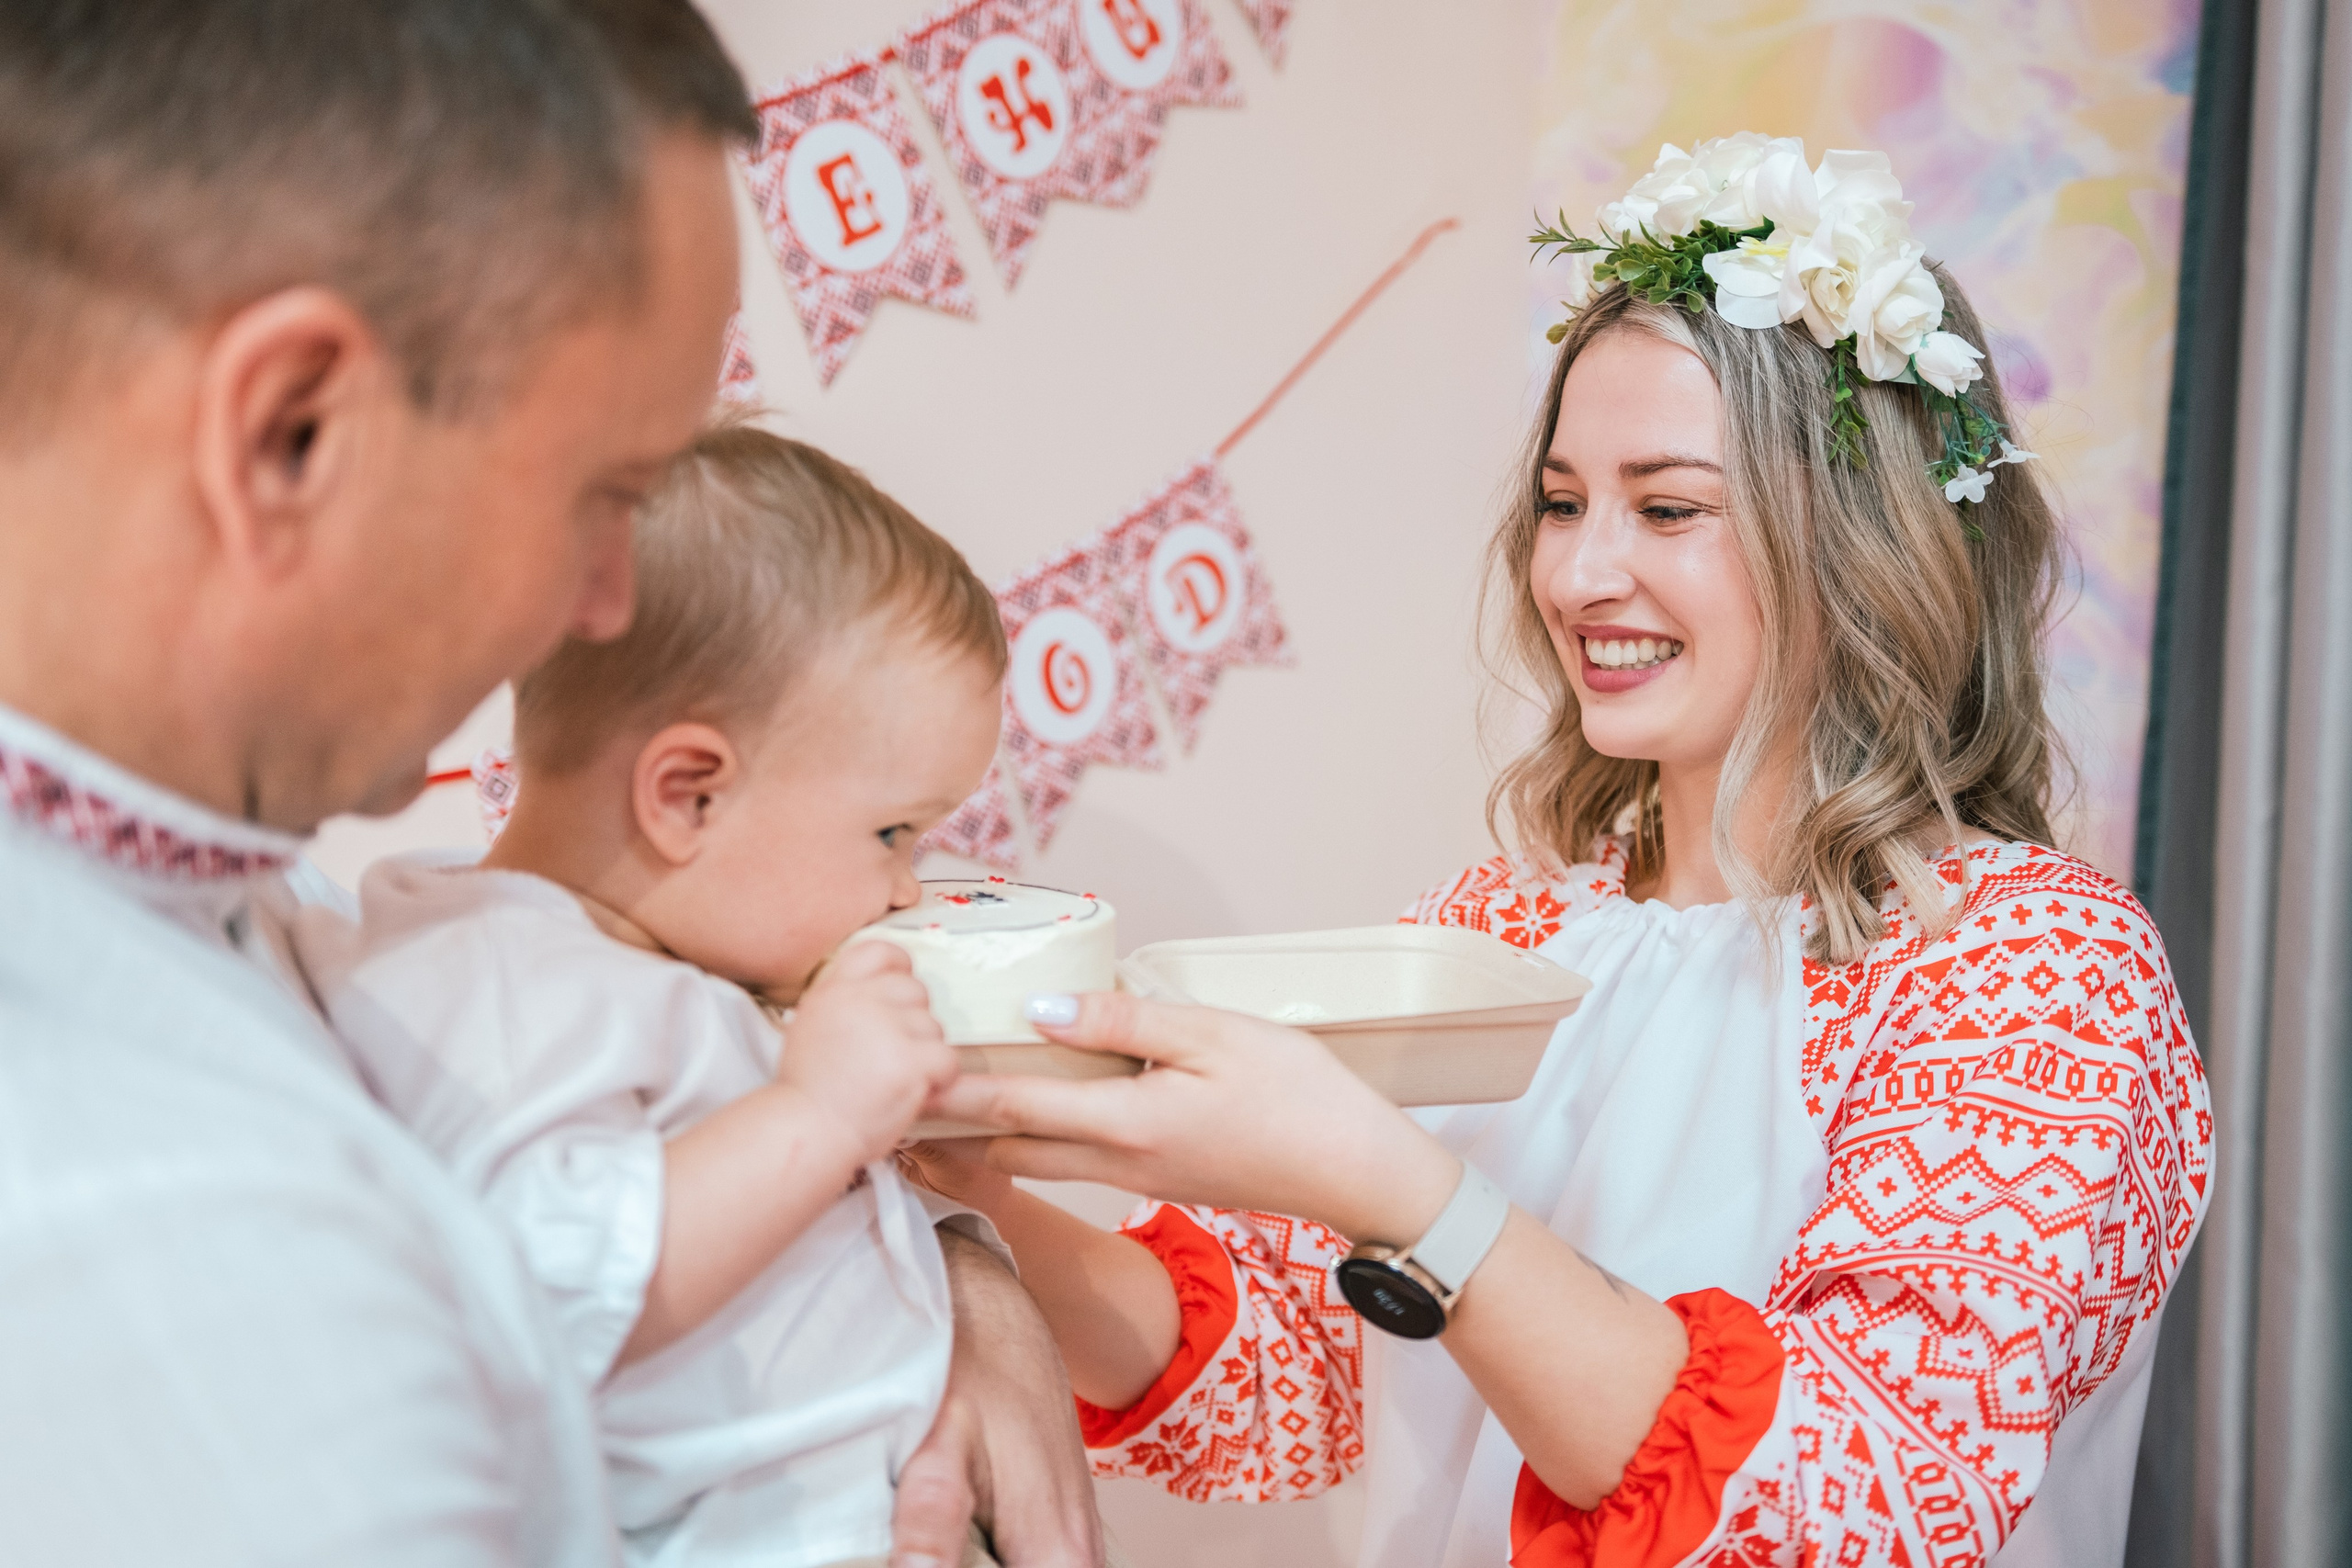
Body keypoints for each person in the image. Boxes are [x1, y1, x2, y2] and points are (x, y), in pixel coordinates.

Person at [917, 136, 2212, 1568]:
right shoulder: (1496, 926)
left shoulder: (2036, 970)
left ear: (1861, 542)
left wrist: (1395, 1186)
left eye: (1667, 507)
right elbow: (1292, 1374)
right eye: (1559, 499)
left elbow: (1865, 1499)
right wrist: (968, 1183)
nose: (1580, 572)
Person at [0, 6, 1097, 1565]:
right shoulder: (144, 1209)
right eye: (605, 495)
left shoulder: (263, 911)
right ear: (292, 427)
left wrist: (959, 1269)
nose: (602, 607)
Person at [298, 423, 1031, 1568]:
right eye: (892, 833)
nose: (903, 890)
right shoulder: (500, 986)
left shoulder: (624, 967)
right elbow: (552, 1288)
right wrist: (822, 1115)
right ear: (687, 797)